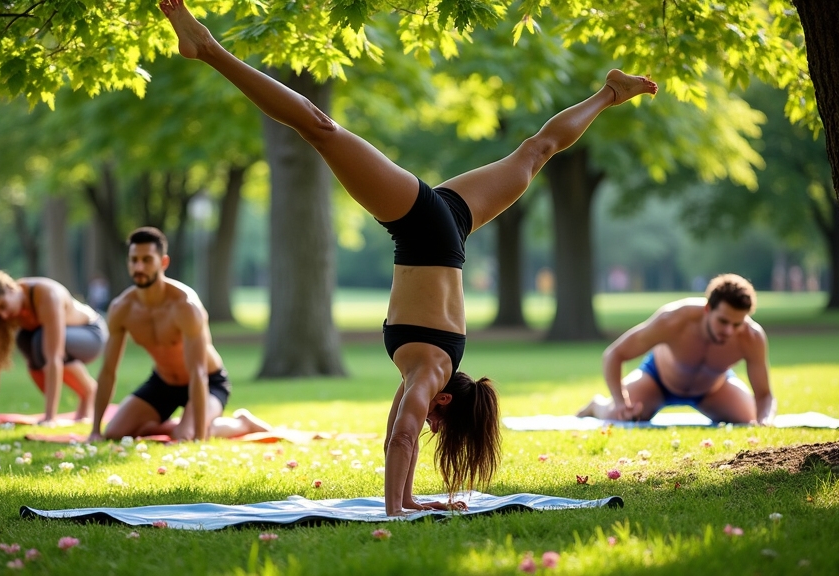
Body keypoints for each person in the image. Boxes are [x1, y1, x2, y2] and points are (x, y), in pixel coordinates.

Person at [158, 0, 657, 515]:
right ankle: (209, 48)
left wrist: (410, 499)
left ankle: (608, 92)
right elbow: (402, 437)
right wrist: (395, 513)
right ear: (444, 401)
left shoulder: (434, 369)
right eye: (438, 422)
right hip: (422, 227)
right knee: (319, 128)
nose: (427, 425)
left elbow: (397, 438)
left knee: (535, 152)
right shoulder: (429, 374)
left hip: (451, 232)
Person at [89, 227, 271, 442]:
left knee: (186, 435)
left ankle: (241, 423)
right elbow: (108, 370)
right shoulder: (122, 309)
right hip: (163, 382)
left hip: (207, 381)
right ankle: (177, 426)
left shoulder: (184, 306)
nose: (139, 267)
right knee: (115, 433)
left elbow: (198, 371)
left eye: (147, 260)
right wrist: (95, 432)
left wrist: (199, 439)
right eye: (134, 260)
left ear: (163, 262)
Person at [576, 273, 776, 425]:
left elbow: (764, 395)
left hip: (713, 389)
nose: (729, 331)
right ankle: (597, 405)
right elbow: (614, 354)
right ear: (708, 309)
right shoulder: (674, 319)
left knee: (750, 419)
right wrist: (620, 402)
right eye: (723, 321)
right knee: (617, 416)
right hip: (657, 382)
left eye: (737, 324)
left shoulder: (752, 337)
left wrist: (765, 420)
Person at [0, 270, 106, 424]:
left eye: (2, 306)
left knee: (40, 340)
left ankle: (89, 391)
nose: (3, 315)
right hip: (51, 341)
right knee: (25, 339)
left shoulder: (47, 296)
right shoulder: (8, 313)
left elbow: (54, 356)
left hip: (91, 335)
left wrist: (50, 418)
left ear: (11, 288)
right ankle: (86, 395)